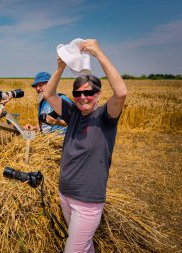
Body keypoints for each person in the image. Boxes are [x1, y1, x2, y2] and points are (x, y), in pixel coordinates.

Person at [43, 39, 128, 252]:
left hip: (87, 202)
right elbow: (49, 94)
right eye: (78, 93)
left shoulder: (106, 117)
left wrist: (99, 54)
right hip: (66, 194)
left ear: (98, 94)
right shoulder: (72, 114)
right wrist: (60, 68)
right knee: (84, 246)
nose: (83, 97)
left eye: (88, 93)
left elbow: (121, 93)